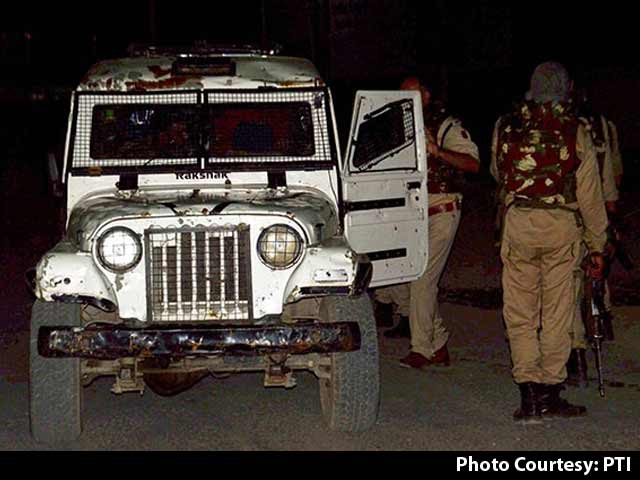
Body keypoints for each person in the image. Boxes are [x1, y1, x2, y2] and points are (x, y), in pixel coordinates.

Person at [491, 62, 608, 423]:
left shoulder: (506, 124)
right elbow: (590, 193)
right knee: (557, 313)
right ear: (566, 90)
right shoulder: (576, 129)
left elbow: (498, 173)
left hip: (519, 223)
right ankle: (550, 392)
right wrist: (597, 243)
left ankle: (528, 396)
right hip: (560, 228)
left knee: (520, 311)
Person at [375, 76, 480, 369]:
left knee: (422, 279)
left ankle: (422, 349)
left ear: (426, 94)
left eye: (414, 94)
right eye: (403, 94)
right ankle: (439, 342)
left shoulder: (446, 125)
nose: (409, 100)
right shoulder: (399, 126)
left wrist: (439, 152)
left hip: (442, 209)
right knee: (401, 274)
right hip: (411, 210)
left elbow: (473, 163)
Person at [568, 90, 622, 386]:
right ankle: (581, 347)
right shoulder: (584, 127)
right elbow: (609, 177)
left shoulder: (599, 127)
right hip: (582, 212)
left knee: (581, 281)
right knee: (582, 278)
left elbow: (610, 172)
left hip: (581, 212)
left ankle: (590, 333)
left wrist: (610, 217)